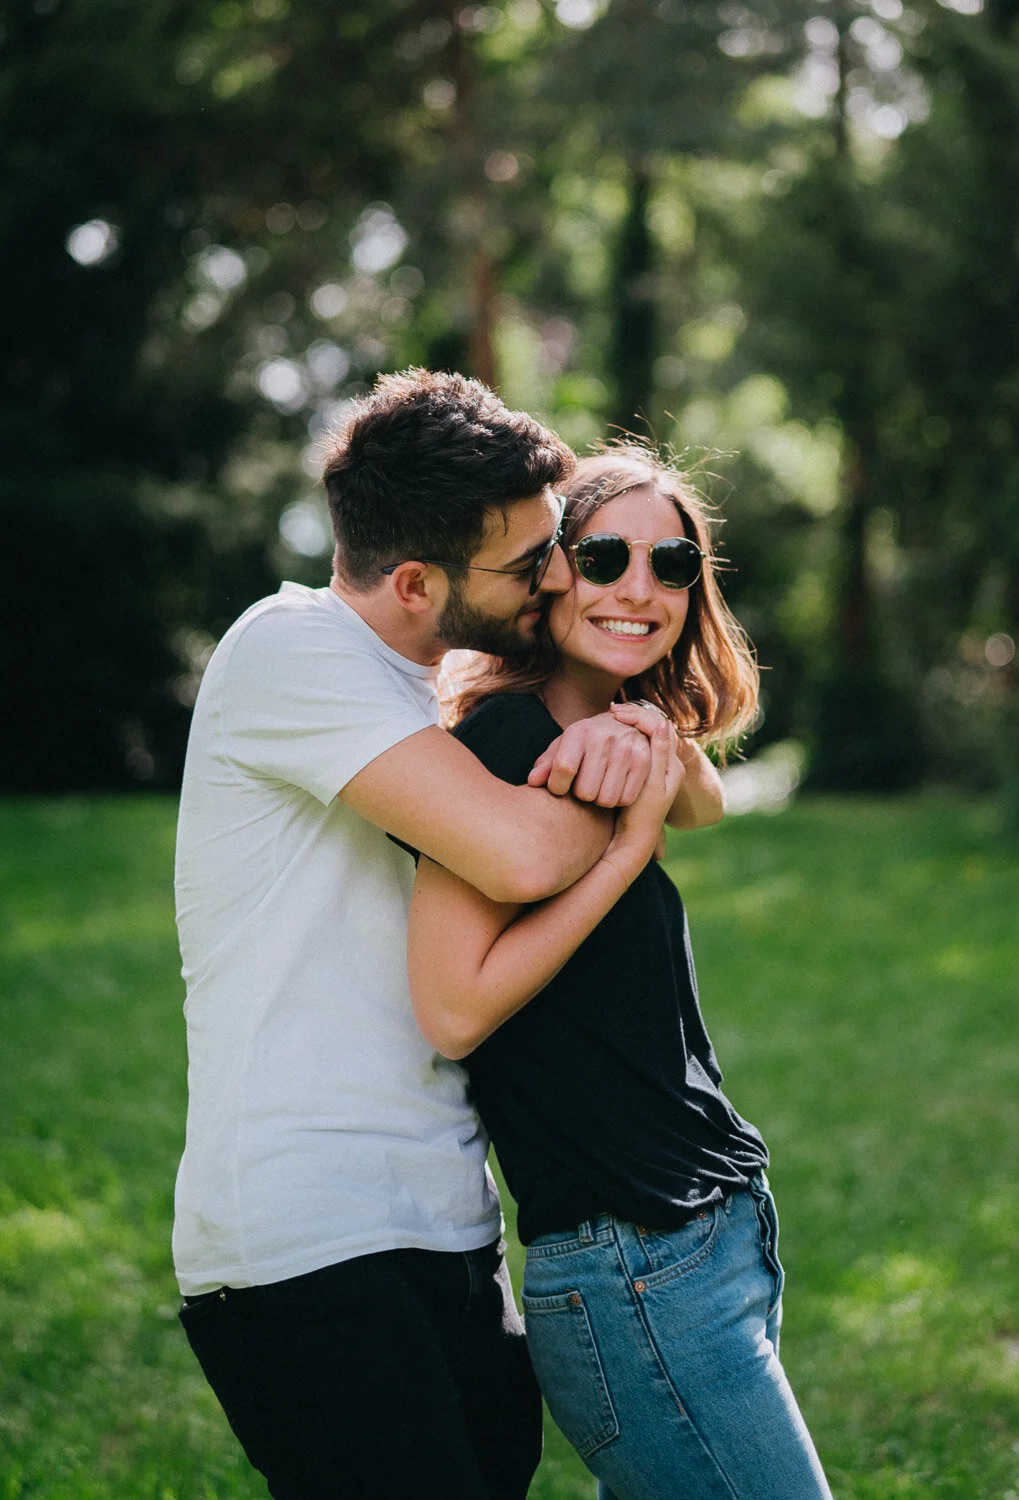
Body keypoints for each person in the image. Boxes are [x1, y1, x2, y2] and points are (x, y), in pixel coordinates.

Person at [172, 370, 666, 1500]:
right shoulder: (288, 648)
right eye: (530, 561)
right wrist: (625, 795)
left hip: (445, 1220)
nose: (558, 576)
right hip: (306, 1239)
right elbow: (523, 854)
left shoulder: (428, 697)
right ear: (412, 582)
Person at [407, 444, 835, 1500]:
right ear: (550, 571)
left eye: (671, 565)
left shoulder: (612, 731)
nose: (639, 588)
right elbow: (453, 1008)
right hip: (631, 1265)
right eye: (605, 557)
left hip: (708, 1237)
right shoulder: (510, 741)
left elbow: (705, 797)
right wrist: (628, 847)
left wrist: (653, 743)